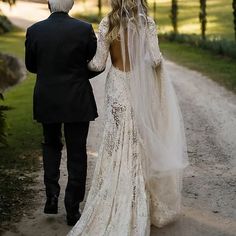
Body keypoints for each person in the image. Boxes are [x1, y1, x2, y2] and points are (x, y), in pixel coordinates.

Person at [68, 0, 189, 235]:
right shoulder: (146, 24)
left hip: (117, 88)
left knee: (115, 142)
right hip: (138, 88)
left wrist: (76, 65)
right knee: (138, 139)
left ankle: (114, 191)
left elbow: (97, 63)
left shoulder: (107, 23)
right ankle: (138, 199)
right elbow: (155, 60)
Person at [25, 0, 102, 226]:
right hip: (77, 99)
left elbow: (31, 66)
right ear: (71, 5)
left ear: (49, 4)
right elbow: (96, 63)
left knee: (50, 144)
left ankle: (51, 195)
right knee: (77, 151)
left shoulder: (34, 30)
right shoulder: (84, 29)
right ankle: (72, 208)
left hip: (47, 98)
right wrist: (78, 77)